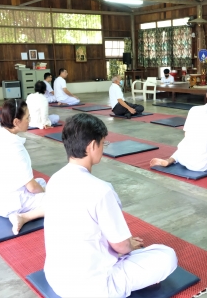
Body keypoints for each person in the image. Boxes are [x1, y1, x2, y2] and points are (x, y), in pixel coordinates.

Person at [44, 113, 177, 297]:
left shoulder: (55, 180)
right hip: (94, 288)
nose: (103, 148)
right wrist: (127, 244)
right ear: (92, 146)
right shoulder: (101, 190)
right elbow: (121, 247)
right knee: (167, 255)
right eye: (103, 143)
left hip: (56, 279)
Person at [0, 99, 46, 235]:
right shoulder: (14, 147)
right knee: (61, 201)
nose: (29, 120)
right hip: (10, 204)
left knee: (41, 182)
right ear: (16, 122)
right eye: (27, 117)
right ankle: (23, 217)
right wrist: (46, 194)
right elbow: (31, 187)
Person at [150, 83, 207, 171]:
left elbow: (186, 134)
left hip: (183, 157)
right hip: (199, 165)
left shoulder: (193, 109)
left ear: (206, 95)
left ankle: (170, 160)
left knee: (183, 148)